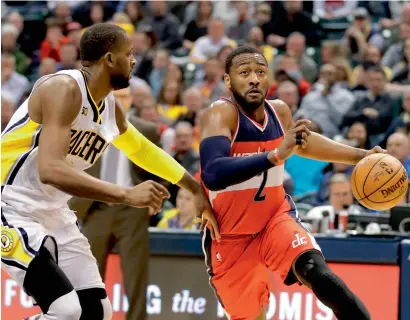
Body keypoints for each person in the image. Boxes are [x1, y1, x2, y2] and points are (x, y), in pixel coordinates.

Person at [1, 23, 219, 320]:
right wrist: (126, 194)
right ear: (108, 58)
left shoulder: (110, 107)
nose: (133, 60)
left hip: (54, 211)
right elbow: (51, 169)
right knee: (65, 310)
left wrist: (193, 187)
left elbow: (141, 150)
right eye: (128, 54)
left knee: (96, 311)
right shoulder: (62, 89)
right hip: (11, 205)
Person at [199, 45, 384, 320]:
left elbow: (304, 143)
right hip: (229, 235)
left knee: (317, 272)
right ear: (227, 80)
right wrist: (274, 155)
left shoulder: (280, 112)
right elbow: (213, 174)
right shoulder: (220, 114)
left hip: (275, 219)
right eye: (245, 72)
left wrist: (363, 156)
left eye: (261, 72)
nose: (254, 79)